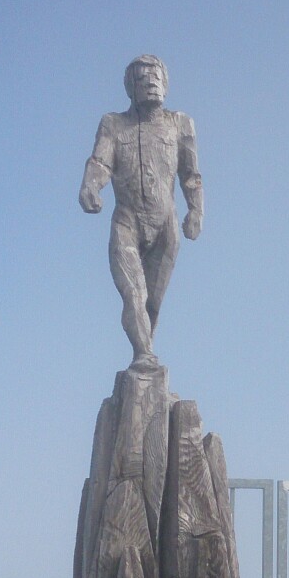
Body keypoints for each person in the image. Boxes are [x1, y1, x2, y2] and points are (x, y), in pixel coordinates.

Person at [79, 54, 203, 365]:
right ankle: (143, 355)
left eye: (156, 77)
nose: (151, 83)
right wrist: (91, 185)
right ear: (130, 88)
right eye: (142, 79)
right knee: (134, 293)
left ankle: (146, 349)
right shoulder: (113, 124)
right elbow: (101, 161)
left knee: (154, 303)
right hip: (127, 221)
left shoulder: (181, 124)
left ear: (166, 83)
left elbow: (191, 174)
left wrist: (196, 210)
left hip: (166, 225)